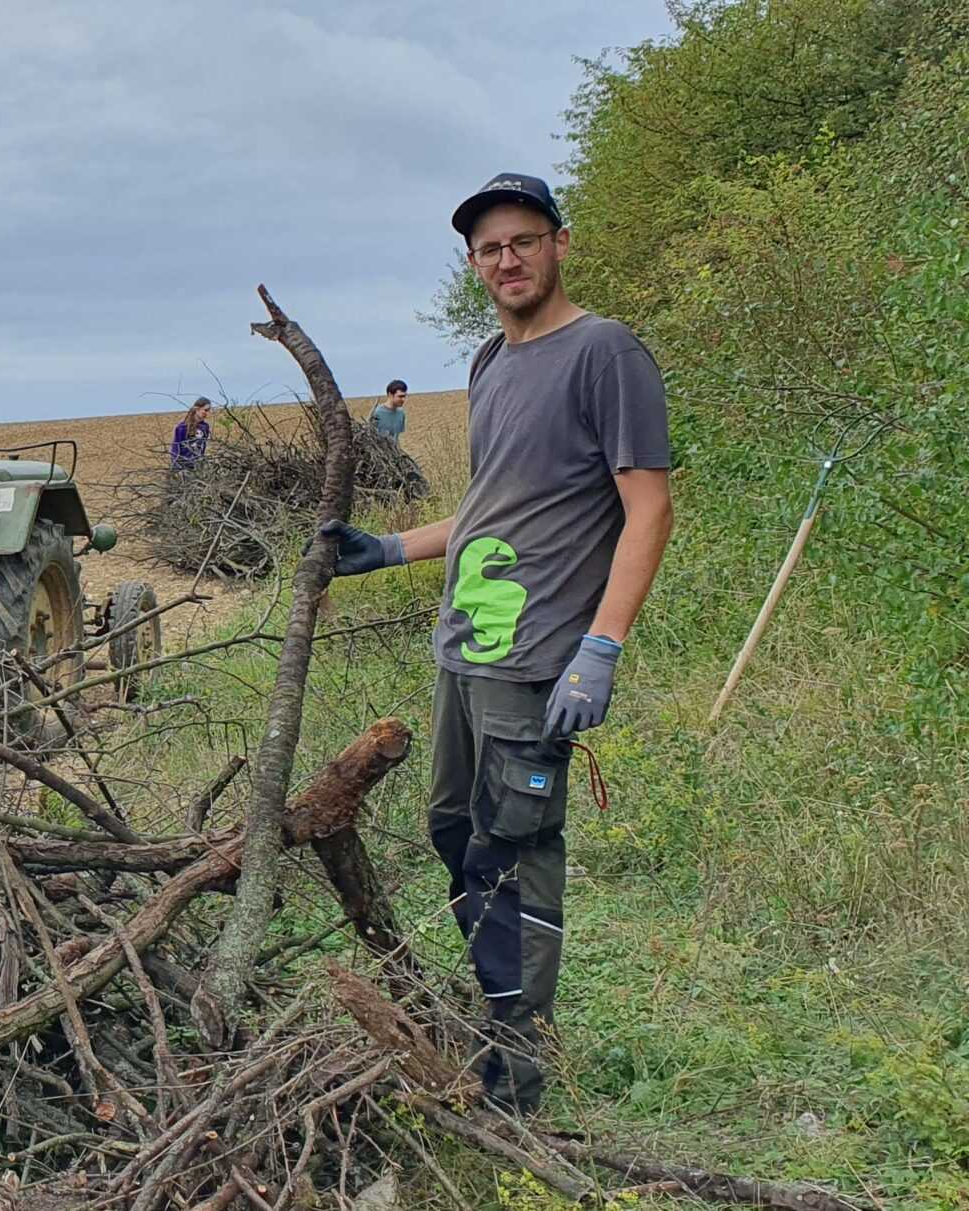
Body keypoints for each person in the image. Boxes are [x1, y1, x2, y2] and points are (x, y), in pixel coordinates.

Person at [320, 172, 673, 1114]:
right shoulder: (490, 362)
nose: (506, 260)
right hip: (464, 649)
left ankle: (518, 1068)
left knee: (514, 855)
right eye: (489, 249)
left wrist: (602, 645)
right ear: (474, 264)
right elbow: (491, 508)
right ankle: (498, 1014)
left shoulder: (605, 353)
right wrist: (392, 547)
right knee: (455, 834)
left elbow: (648, 507)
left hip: (538, 658)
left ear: (561, 244)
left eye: (523, 240)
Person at [168, 397, 214, 471]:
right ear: (197, 409)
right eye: (205, 410)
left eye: (209, 411)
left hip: (197, 465)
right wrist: (176, 465)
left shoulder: (205, 427)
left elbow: (203, 446)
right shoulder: (182, 427)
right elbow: (176, 447)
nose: (207, 413)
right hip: (183, 465)